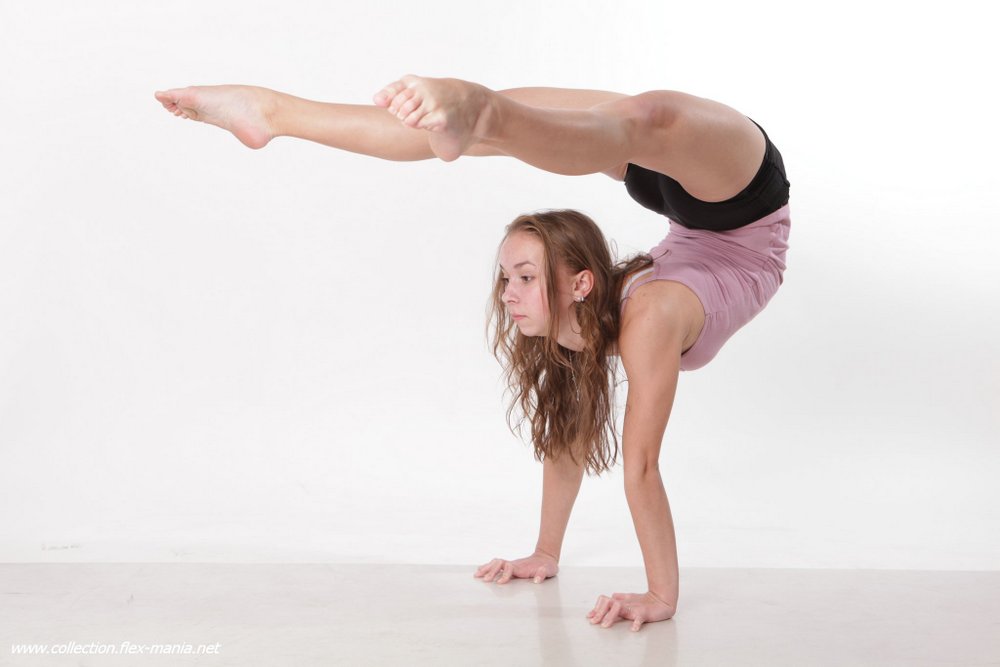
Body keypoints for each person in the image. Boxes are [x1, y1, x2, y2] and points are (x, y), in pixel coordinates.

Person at [153, 75, 791, 632]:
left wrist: (660, 595)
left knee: (636, 119)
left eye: (524, 277)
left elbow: (642, 468)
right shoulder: (589, 321)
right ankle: (274, 112)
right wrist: (545, 554)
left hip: (741, 191)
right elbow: (569, 439)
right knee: (485, 126)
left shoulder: (644, 319)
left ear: (579, 282)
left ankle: (479, 111)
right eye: (508, 278)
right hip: (707, 199)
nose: (508, 295)